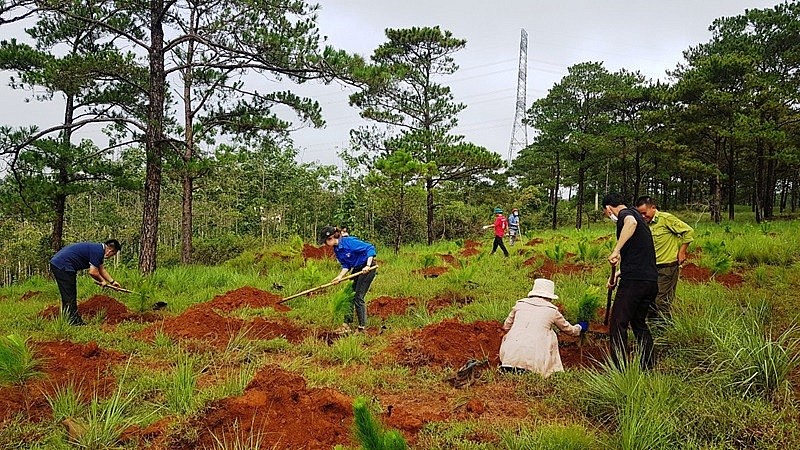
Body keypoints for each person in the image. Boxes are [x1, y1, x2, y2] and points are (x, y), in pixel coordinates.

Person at [602, 193, 658, 370]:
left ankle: (619, 369)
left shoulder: (627, 216)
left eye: (606, 213)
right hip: (649, 280)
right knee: (638, 323)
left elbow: (630, 224)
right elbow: (638, 254)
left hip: (634, 282)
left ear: (609, 208)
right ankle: (648, 365)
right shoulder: (640, 219)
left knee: (617, 324)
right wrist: (618, 274)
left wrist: (616, 250)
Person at [499, 278, 588, 377]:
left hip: (508, 359)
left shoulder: (519, 305)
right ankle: (548, 368)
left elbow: (506, 326)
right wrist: (579, 327)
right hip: (533, 362)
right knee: (551, 333)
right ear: (549, 296)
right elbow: (569, 330)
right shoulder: (552, 311)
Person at [635, 196, 694, 319]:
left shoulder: (666, 219)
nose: (643, 216)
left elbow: (688, 231)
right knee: (649, 299)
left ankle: (664, 328)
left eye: (644, 213)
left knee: (661, 301)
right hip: (650, 269)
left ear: (653, 208)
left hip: (667, 268)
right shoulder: (642, 224)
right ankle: (652, 325)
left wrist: (682, 252)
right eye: (640, 214)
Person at [318, 226, 377, 333]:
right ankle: (346, 325)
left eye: (325, 241)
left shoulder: (349, 242)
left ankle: (362, 328)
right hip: (357, 268)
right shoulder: (337, 249)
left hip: (368, 268)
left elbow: (369, 248)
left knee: (358, 297)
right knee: (349, 295)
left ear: (331, 238)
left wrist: (368, 265)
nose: (325, 244)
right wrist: (339, 276)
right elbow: (346, 265)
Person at [49, 239, 122, 325]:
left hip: (60, 264)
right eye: (113, 254)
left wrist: (112, 282)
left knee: (68, 294)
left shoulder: (98, 249)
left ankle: (68, 318)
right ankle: (74, 321)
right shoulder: (98, 251)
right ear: (110, 250)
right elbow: (93, 272)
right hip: (63, 266)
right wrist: (102, 281)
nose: (111, 256)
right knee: (70, 295)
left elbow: (101, 269)